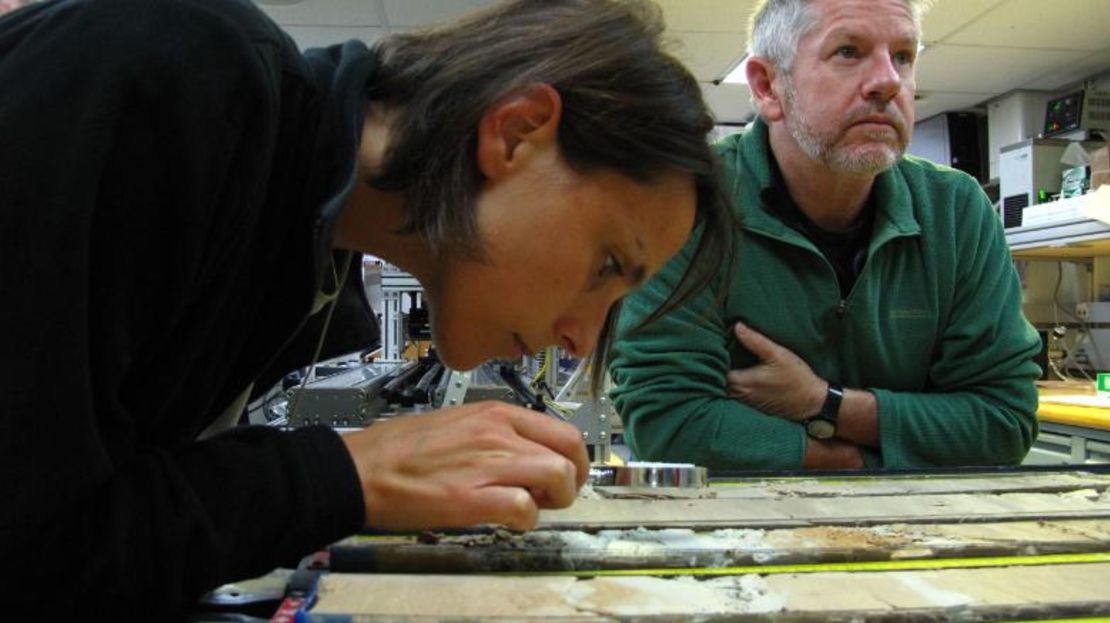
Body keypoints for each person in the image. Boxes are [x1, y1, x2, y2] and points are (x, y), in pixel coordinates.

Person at [0, 0, 732, 617]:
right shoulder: (181, 67)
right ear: (515, 133)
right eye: (606, 265)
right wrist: (343, 475)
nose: (581, 337)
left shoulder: (302, 258)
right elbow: (33, 551)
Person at [609, 0, 1042, 471]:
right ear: (768, 86)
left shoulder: (956, 211)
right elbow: (669, 425)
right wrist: (856, 460)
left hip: (925, 530)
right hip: (742, 530)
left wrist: (824, 402)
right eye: (848, 52)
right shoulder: (689, 202)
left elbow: (1003, 420)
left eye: (903, 56)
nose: (888, 81)